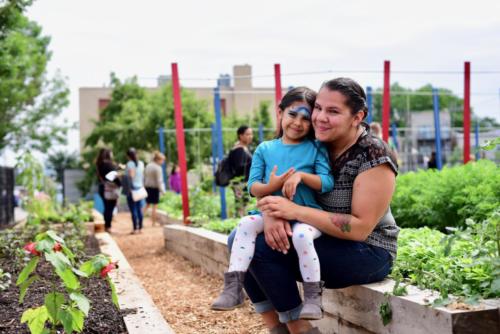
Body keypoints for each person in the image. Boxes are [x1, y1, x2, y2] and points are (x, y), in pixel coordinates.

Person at [229, 78, 399, 334]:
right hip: (317, 237)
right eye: (318, 108)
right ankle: (277, 329)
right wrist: (271, 213)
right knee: (238, 239)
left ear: (357, 117)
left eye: (333, 111)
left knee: (261, 248)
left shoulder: (373, 154)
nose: (320, 117)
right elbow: (270, 185)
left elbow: (360, 229)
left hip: (367, 251)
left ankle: (301, 330)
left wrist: (294, 211)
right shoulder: (314, 143)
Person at [211, 87, 334, 321]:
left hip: (305, 216)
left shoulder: (316, 148)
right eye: (292, 114)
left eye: (305, 118)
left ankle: (312, 298)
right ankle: (233, 288)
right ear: (280, 113)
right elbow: (252, 187)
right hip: (270, 211)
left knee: (301, 237)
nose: (298, 122)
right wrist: (271, 185)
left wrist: (301, 176)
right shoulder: (265, 149)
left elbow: (327, 182)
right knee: (246, 224)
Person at [228, 125, 254, 216]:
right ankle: (240, 224)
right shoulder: (239, 150)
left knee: (243, 205)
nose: (250, 136)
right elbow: (238, 167)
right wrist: (253, 163)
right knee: (241, 206)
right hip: (240, 183)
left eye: (251, 134)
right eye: (247, 134)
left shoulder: (244, 148)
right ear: (241, 135)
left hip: (243, 182)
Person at [95, 148, 121, 232]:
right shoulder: (109, 164)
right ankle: (108, 227)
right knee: (110, 208)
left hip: (102, 188)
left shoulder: (99, 164)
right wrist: (120, 183)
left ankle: (107, 226)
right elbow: (113, 177)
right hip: (109, 189)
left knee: (107, 207)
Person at [125, 148, 145, 234]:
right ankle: (140, 227)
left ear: (128, 156)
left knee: (133, 210)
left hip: (132, 189)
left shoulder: (130, 164)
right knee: (139, 209)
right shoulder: (141, 163)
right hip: (140, 188)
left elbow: (131, 176)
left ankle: (135, 228)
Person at [144, 151, 166, 226]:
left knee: (147, 204)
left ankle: (139, 218)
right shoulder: (158, 168)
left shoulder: (148, 166)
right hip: (154, 188)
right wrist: (163, 191)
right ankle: (153, 222)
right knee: (154, 206)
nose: (163, 162)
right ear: (158, 159)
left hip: (147, 187)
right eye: (162, 160)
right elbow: (159, 181)